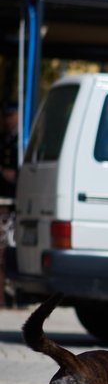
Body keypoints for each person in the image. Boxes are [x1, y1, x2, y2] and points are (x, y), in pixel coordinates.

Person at [0, 103, 18, 308]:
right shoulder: (4, 140)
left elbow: (13, 173)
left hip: (12, 202)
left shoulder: (19, 141)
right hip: (3, 200)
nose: (7, 120)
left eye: (10, 116)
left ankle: (9, 297)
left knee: (6, 254)